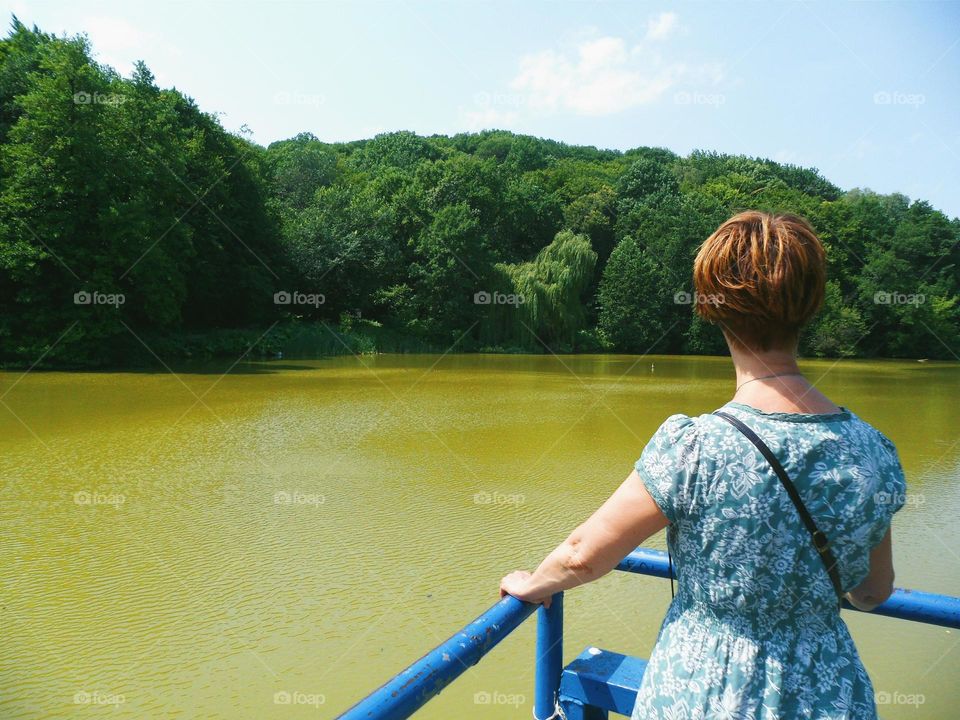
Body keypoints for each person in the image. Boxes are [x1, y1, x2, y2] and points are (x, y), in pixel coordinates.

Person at [499, 211, 906, 719]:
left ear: (713, 309)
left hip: (707, 691)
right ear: (810, 306)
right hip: (831, 693)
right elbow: (872, 591)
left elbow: (583, 556)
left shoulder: (695, 447)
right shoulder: (872, 449)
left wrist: (533, 584)